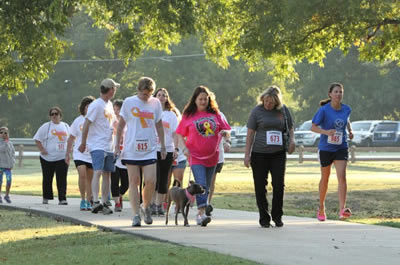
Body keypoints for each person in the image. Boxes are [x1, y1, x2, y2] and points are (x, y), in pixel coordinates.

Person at [115, 77, 166, 227]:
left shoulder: (155, 103)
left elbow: (159, 126)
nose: (146, 97)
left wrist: (162, 146)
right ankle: (136, 214)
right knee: (134, 182)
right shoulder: (129, 102)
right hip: (132, 149)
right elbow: (120, 126)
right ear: (138, 90)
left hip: (149, 148)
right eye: (144, 94)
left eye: (149, 94)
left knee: (151, 181)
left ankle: (146, 206)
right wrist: (117, 145)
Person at [176, 86, 231, 227]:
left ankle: (202, 211)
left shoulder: (216, 114)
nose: (203, 101)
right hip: (195, 157)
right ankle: (201, 214)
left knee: (205, 187)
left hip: (212, 156)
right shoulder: (189, 116)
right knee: (201, 184)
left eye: (205, 99)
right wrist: (183, 148)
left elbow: (226, 129)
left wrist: (226, 138)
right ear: (195, 100)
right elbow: (179, 134)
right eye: (200, 99)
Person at [244, 86, 295, 228]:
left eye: (271, 102)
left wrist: (292, 141)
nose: (268, 104)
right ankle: (264, 217)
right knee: (260, 186)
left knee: (279, 185)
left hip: (278, 154)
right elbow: (250, 133)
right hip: (259, 154)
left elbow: (290, 128)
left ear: (276, 102)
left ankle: (277, 216)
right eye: (266, 101)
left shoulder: (283, 111)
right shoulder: (257, 111)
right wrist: (246, 155)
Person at [311, 82, 353, 221]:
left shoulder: (346, 109)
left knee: (342, 177)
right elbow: (313, 127)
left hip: (341, 146)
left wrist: (350, 131)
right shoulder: (324, 110)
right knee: (325, 178)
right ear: (330, 94)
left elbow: (346, 120)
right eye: (336, 92)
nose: (338, 94)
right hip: (326, 148)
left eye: (340, 92)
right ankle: (321, 207)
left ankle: (342, 210)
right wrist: (326, 132)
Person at [79, 78, 119, 215]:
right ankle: (95, 201)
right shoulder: (96, 105)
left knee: (107, 174)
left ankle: (104, 202)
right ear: (112, 90)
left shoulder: (109, 105)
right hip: (97, 144)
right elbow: (86, 124)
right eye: (115, 89)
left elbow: (114, 124)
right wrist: (83, 143)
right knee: (98, 171)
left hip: (109, 145)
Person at [151, 88, 179, 216]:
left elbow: (175, 133)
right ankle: (150, 203)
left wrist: (176, 149)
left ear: (167, 98)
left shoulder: (171, 115)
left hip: (167, 149)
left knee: (163, 179)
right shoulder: (150, 111)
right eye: (159, 95)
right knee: (153, 178)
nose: (161, 97)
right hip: (153, 149)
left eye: (164, 95)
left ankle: (159, 205)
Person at [34, 107, 70, 205]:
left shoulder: (66, 126)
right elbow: (37, 139)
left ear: (60, 116)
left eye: (56, 114)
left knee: (62, 178)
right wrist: (42, 149)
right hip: (47, 158)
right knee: (47, 178)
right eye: (52, 114)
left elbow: (70, 140)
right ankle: (46, 197)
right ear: (50, 116)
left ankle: (62, 198)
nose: (54, 116)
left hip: (62, 157)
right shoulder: (46, 126)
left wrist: (69, 154)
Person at [66, 96, 95, 211]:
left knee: (90, 178)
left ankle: (89, 200)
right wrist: (67, 153)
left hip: (92, 153)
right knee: (82, 174)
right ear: (83, 108)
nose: (89, 108)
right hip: (80, 153)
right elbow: (71, 138)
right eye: (87, 106)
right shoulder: (78, 120)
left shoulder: (96, 120)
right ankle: (83, 199)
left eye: (91, 106)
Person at [206, 112, 231, 216]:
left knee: (211, 180)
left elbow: (227, 131)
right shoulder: (198, 113)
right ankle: (201, 203)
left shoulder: (219, 115)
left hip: (217, 153)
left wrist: (227, 141)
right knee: (202, 180)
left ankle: (207, 203)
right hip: (201, 154)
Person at [110, 99, 129, 212]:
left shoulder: (128, 121)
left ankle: (120, 194)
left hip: (126, 154)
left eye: (119, 109)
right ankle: (117, 203)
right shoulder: (111, 121)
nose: (116, 112)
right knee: (114, 180)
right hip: (113, 153)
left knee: (126, 183)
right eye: (115, 109)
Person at [0, 127, 15, 203]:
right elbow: (2, 149)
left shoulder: (10, 143)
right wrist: (5, 142)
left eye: (5, 133)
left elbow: (12, 153)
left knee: (9, 180)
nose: (3, 134)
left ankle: (7, 195)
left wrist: (12, 163)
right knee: (0, 181)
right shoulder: (2, 143)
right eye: (1, 133)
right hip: (0, 166)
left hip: (8, 166)